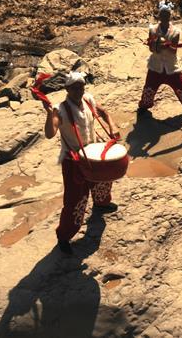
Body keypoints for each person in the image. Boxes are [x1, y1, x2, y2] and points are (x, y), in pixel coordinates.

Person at [45, 72, 120, 254]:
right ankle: (64, 236)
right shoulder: (60, 109)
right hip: (74, 160)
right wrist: (49, 115)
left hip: (93, 153)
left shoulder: (88, 99)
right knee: (75, 200)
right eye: (74, 88)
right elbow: (50, 132)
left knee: (103, 181)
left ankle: (101, 204)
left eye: (81, 87)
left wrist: (112, 125)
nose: (79, 91)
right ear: (67, 89)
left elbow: (103, 112)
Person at [139, 1, 182, 117]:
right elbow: (152, 49)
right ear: (159, 16)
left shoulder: (175, 32)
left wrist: (164, 45)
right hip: (155, 66)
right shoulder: (153, 30)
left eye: (167, 15)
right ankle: (144, 106)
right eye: (162, 15)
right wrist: (154, 45)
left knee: (181, 88)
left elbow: (173, 50)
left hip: (171, 67)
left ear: (170, 16)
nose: (165, 18)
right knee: (149, 88)